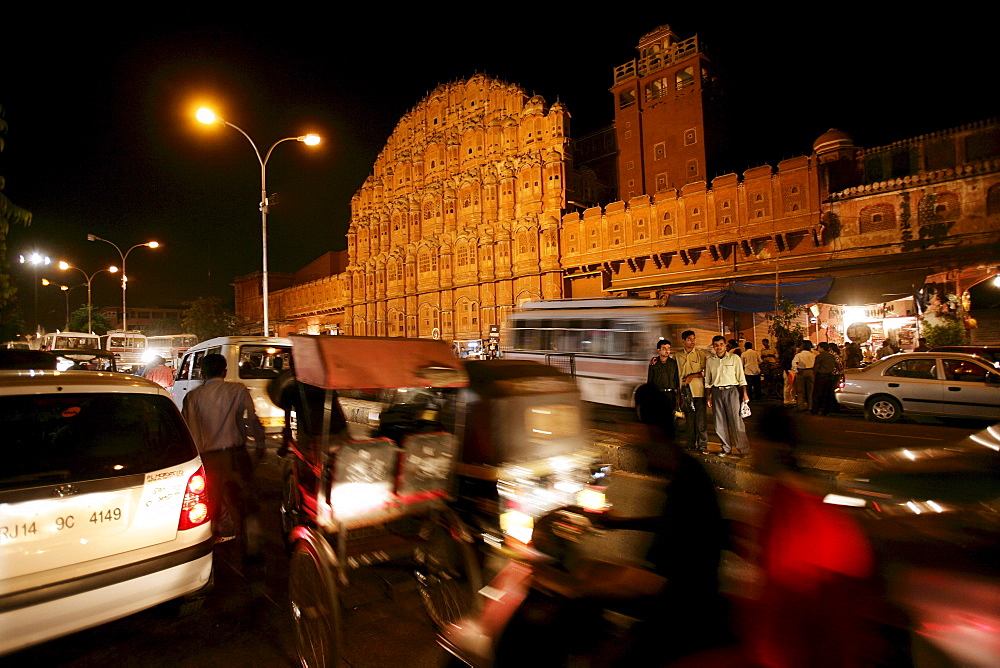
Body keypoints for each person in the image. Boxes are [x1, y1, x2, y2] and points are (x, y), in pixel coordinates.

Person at [182, 353, 265, 554]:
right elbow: (252, 419)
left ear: (202, 372)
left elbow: (188, 429)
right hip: (235, 454)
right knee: (245, 497)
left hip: (208, 458)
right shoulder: (237, 390)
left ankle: (215, 542)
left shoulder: (192, 397)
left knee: (213, 503)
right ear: (225, 371)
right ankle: (251, 537)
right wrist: (260, 445)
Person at [705, 335, 750, 458]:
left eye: (721, 344)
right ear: (713, 346)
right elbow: (708, 380)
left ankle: (743, 449)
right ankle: (726, 448)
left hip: (732, 391)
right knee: (719, 423)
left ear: (725, 345)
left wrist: (744, 394)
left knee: (736, 421)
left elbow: (741, 378)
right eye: (716, 345)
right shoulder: (710, 360)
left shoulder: (734, 358)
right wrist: (708, 396)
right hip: (716, 392)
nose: (718, 347)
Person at [674, 330, 709, 452]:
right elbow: (675, 375)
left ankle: (703, 445)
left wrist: (692, 376)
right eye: (689, 339)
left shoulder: (701, 354)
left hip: (699, 393)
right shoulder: (677, 356)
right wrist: (678, 395)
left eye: (694, 339)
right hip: (685, 394)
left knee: (701, 421)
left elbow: (706, 373)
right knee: (689, 420)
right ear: (683, 341)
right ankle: (690, 443)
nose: (692, 341)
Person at [646, 339, 681, 443]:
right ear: (659, 350)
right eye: (664, 348)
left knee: (671, 419)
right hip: (657, 395)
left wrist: (678, 396)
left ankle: (671, 440)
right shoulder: (654, 363)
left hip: (670, 394)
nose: (667, 351)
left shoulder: (673, 363)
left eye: (668, 348)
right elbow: (650, 381)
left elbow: (677, 380)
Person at [811, 342, 838, 416]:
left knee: (817, 393)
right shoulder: (831, 356)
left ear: (822, 348)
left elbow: (816, 367)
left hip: (821, 376)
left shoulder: (820, 356)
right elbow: (836, 365)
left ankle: (815, 410)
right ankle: (826, 411)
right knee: (827, 394)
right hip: (830, 375)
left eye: (819, 347)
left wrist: (814, 374)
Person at [792, 341, 816, 412]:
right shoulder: (813, 355)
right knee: (810, 390)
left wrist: (796, 370)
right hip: (811, 371)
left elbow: (793, 364)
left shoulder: (798, 355)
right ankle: (810, 406)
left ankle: (800, 406)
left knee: (800, 390)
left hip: (801, 371)